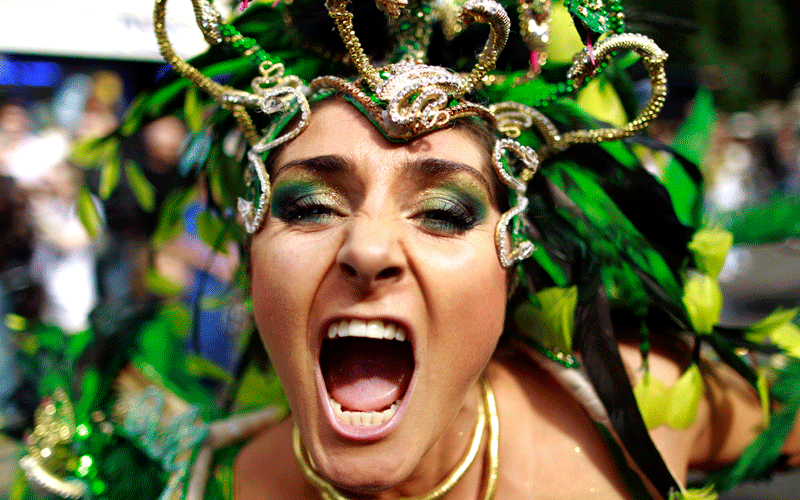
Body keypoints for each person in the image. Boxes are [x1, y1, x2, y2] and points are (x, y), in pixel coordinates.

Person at [8, 0, 800, 499]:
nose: (370, 247)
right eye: (311, 205)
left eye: (446, 213)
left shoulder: (634, 413)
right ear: (252, 250)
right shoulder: (179, 482)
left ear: (512, 266)